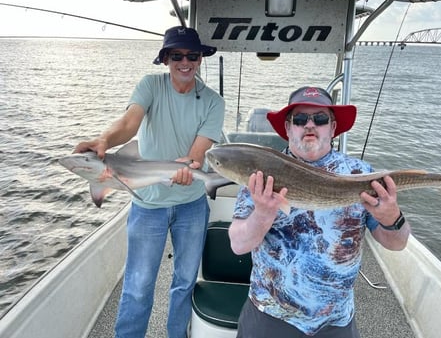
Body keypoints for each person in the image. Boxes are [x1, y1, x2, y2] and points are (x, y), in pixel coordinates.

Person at [74, 26, 225, 338]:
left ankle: (176, 335)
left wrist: (192, 166)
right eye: (177, 55)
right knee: (138, 285)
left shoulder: (213, 101)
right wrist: (104, 139)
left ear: (200, 58)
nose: (185, 62)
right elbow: (130, 123)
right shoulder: (151, 86)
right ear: (166, 58)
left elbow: (199, 150)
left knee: (184, 281)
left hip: (191, 205)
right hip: (147, 206)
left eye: (191, 55)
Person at [228, 86, 411, 338]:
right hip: (270, 314)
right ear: (288, 128)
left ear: (333, 128)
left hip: (336, 321)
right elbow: (238, 244)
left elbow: (397, 243)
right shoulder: (261, 173)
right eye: (300, 119)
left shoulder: (360, 174)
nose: (310, 125)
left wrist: (393, 218)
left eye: (320, 119)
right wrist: (261, 214)